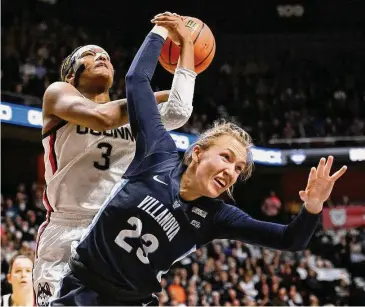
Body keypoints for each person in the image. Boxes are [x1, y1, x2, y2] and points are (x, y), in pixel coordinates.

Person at [52, 12, 347, 306]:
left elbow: (289, 240)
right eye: (227, 157)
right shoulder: (158, 154)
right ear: (197, 152)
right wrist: (161, 32)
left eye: (238, 168)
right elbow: (136, 80)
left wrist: (312, 207)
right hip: (82, 290)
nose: (232, 171)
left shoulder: (218, 217)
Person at [33, 23, 197, 305]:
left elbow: (180, 111)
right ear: (72, 74)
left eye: (106, 56)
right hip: (66, 227)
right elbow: (103, 118)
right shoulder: (57, 94)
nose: (102, 56)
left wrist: (188, 49)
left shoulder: (134, 115)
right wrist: (145, 97)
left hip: (114, 233)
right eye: (91, 54)